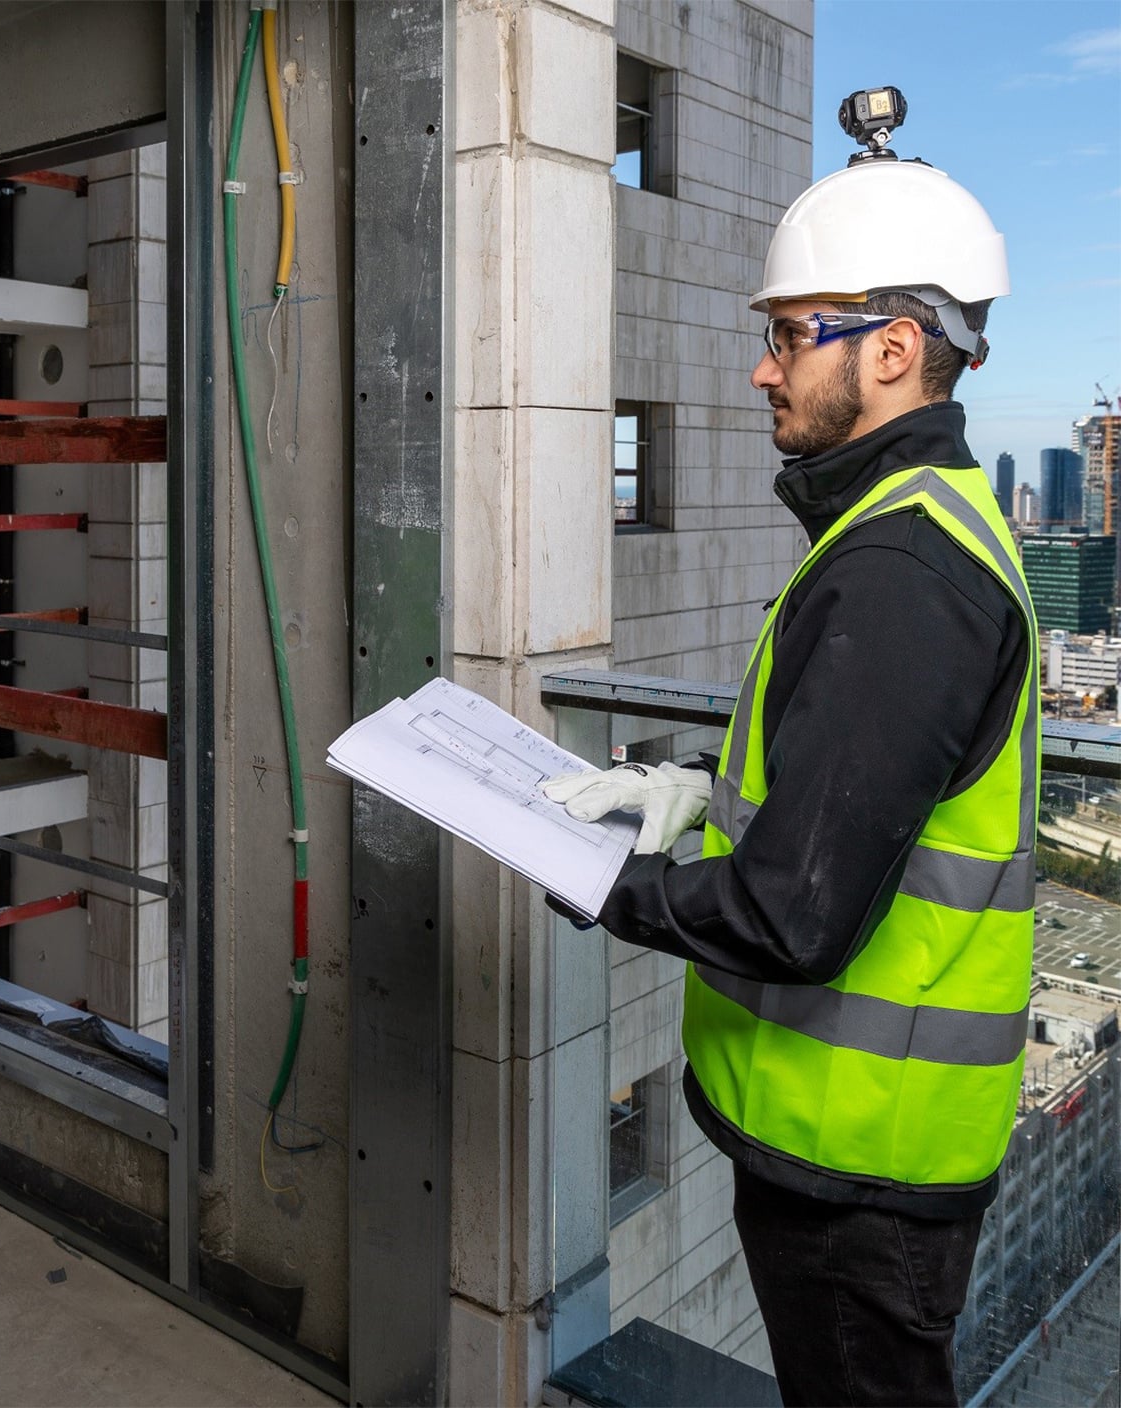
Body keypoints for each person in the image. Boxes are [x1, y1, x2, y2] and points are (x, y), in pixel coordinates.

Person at [545, 96, 1037, 1408]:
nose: (764, 370)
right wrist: (688, 792)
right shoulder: (909, 532)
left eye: (786, 337)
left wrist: (592, 874)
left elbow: (797, 911)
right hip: (850, 1143)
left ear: (890, 349)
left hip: (864, 1165)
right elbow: (846, 798)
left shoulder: (903, 570)